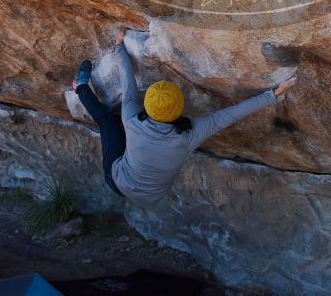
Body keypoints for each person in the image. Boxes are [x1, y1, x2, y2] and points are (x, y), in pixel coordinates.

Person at [74, 28, 297, 207]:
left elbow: (128, 83)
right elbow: (232, 114)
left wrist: (119, 46)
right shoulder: (190, 133)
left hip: (117, 179)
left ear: (148, 106)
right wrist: (273, 94)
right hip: (151, 198)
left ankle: (80, 86)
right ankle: (82, 87)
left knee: (107, 119)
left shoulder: (131, 117)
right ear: (179, 107)